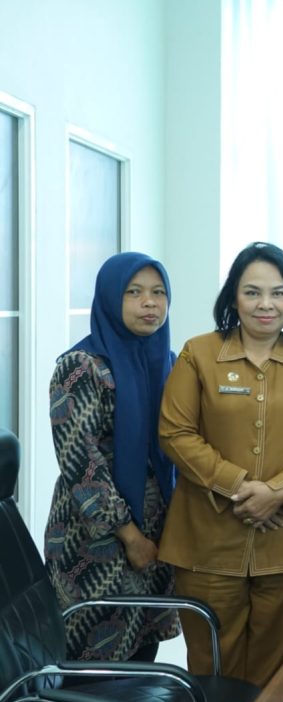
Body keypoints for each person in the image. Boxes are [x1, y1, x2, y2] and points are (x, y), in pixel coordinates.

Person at [158, 242, 283, 686]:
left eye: (278, 293)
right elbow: (175, 433)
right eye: (252, 292)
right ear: (233, 298)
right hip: (208, 538)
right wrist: (241, 487)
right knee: (211, 663)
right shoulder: (197, 354)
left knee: (278, 664)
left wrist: (279, 490)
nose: (266, 305)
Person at [44, 252, 179, 662]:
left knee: (140, 659)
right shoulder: (81, 367)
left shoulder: (167, 363)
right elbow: (80, 463)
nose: (150, 303)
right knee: (90, 666)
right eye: (134, 292)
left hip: (154, 536)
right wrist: (129, 535)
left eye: (158, 293)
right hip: (95, 542)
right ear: (109, 299)